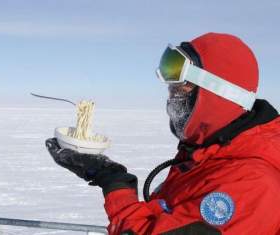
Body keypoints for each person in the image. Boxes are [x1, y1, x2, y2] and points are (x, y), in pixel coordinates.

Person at [45, 32, 280, 234]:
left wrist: (115, 185)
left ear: (217, 93)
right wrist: (108, 174)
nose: (171, 91)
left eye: (181, 82)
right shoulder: (208, 154)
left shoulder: (250, 186)